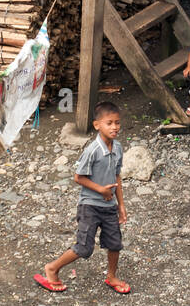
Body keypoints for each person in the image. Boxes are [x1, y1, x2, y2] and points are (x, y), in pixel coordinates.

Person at [34, 101, 129, 294]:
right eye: (109, 123)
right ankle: (52, 268)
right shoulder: (93, 150)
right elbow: (78, 177)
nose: (114, 127)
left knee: (114, 243)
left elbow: (117, 176)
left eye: (117, 123)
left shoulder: (117, 148)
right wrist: (101, 190)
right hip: (90, 205)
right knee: (84, 247)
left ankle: (111, 276)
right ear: (97, 125)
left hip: (109, 205)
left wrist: (121, 205)